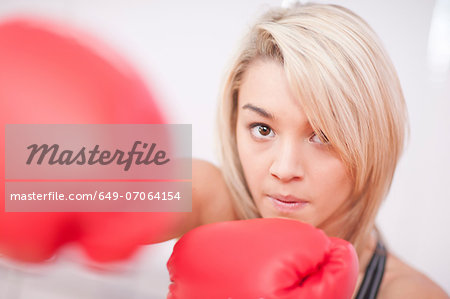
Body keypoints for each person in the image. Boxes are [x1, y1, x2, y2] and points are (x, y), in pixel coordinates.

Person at [162, 2, 448, 298]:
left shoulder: (410, 293)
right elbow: (115, 189)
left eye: (323, 136)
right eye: (262, 129)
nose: (284, 169)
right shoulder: (217, 205)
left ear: (372, 143)